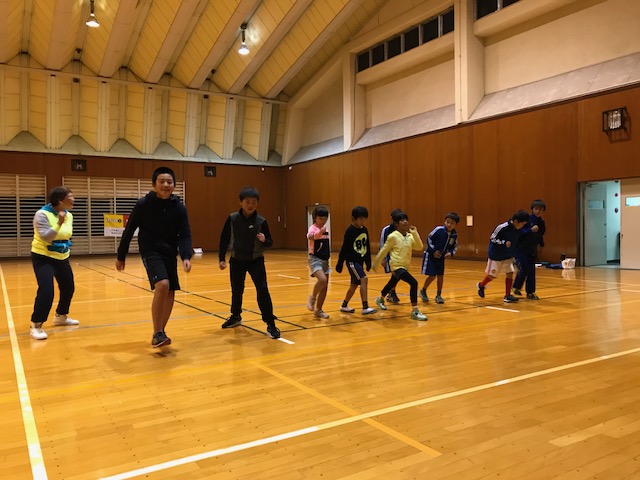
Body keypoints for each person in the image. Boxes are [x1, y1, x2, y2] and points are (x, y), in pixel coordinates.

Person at [116, 167, 192, 348]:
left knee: (170, 291)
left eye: (169, 182)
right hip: (150, 250)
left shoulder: (179, 208)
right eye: (161, 181)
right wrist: (121, 255)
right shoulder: (143, 204)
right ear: (154, 184)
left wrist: (186, 256)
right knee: (163, 285)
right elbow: (129, 229)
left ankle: (160, 332)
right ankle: (158, 332)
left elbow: (185, 234)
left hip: (170, 252)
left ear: (174, 185)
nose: (166, 185)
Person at [218, 187, 280, 339]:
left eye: (254, 202)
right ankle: (235, 316)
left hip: (256, 260)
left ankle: (270, 323)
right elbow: (224, 238)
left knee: (262, 290)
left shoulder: (261, 221)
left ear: (257, 203)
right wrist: (221, 258)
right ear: (240, 202)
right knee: (237, 290)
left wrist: (264, 240)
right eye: (247, 202)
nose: (250, 205)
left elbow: (270, 242)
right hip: (237, 260)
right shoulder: (232, 218)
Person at [29, 186, 80, 340]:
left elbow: (66, 235)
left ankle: (61, 316)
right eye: (70, 196)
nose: (73, 199)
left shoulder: (68, 215)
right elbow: (46, 237)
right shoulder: (41, 214)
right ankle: (36, 325)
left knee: (68, 287)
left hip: (62, 257)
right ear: (60, 200)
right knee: (47, 290)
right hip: (43, 257)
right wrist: (58, 223)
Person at [372, 211, 428, 321]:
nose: (405, 222)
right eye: (402, 220)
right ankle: (415, 311)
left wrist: (415, 233)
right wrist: (376, 263)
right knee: (414, 283)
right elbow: (384, 250)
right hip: (396, 265)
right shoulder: (393, 236)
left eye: (406, 219)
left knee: (392, 283)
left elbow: (419, 247)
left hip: (405, 266)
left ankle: (380, 299)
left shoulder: (410, 236)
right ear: (396, 224)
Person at [477, 210, 529, 303]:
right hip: (496, 255)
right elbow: (492, 238)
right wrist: (503, 243)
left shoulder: (518, 230)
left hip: (508, 255)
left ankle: (507, 295)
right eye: (522, 224)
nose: (522, 226)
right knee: (492, 275)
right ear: (516, 221)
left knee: (510, 272)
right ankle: (481, 285)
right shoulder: (502, 227)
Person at [335, 206, 376, 315]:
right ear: (353, 218)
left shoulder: (364, 230)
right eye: (360, 219)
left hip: (360, 261)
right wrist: (340, 263)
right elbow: (344, 247)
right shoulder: (350, 231)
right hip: (352, 261)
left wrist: (368, 261)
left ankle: (344, 305)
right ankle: (365, 307)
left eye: (364, 219)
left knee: (354, 285)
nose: (363, 221)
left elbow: (366, 246)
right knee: (364, 278)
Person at [419, 212, 460, 304]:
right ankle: (423, 290)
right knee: (432, 275)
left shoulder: (454, 235)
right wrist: (433, 251)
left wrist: (451, 253)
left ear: (455, 225)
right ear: (445, 222)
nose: (449, 225)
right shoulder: (438, 230)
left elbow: (454, 246)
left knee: (440, 276)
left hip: (441, 258)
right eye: (447, 222)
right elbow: (429, 239)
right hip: (431, 256)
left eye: (452, 223)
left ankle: (438, 295)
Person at [513, 199, 546, 299]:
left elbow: (540, 234)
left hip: (531, 249)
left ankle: (530, 292)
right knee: (524, 268)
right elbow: (519, 231)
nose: (538, 211)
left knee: (531, 271)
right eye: (536, 209)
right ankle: (516, 286)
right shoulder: (526, 219)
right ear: (532, 209)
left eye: (540, 209)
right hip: (520, 249)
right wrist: (530, 230)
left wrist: (541, 245)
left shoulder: (541, 222)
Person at [306, 205, 331, 319]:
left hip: (325, 260)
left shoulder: (325, 229)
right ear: (315, 218)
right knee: (322, 280)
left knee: (324, 286)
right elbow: (310, 237)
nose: (323, 221)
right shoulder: (313, 228)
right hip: (315, 258)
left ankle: (319, 310)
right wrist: (319, 233)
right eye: (320, 218)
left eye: (325, 219)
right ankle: (312, 298)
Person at [379, 209, 404, 304]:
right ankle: (390, 292)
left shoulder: (402, 229)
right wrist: (383, 258)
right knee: (395, 274)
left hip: (400, 255)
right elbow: (383, 243)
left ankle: (389, 292)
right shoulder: (386, 230)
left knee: (397, 275)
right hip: (390, 255)